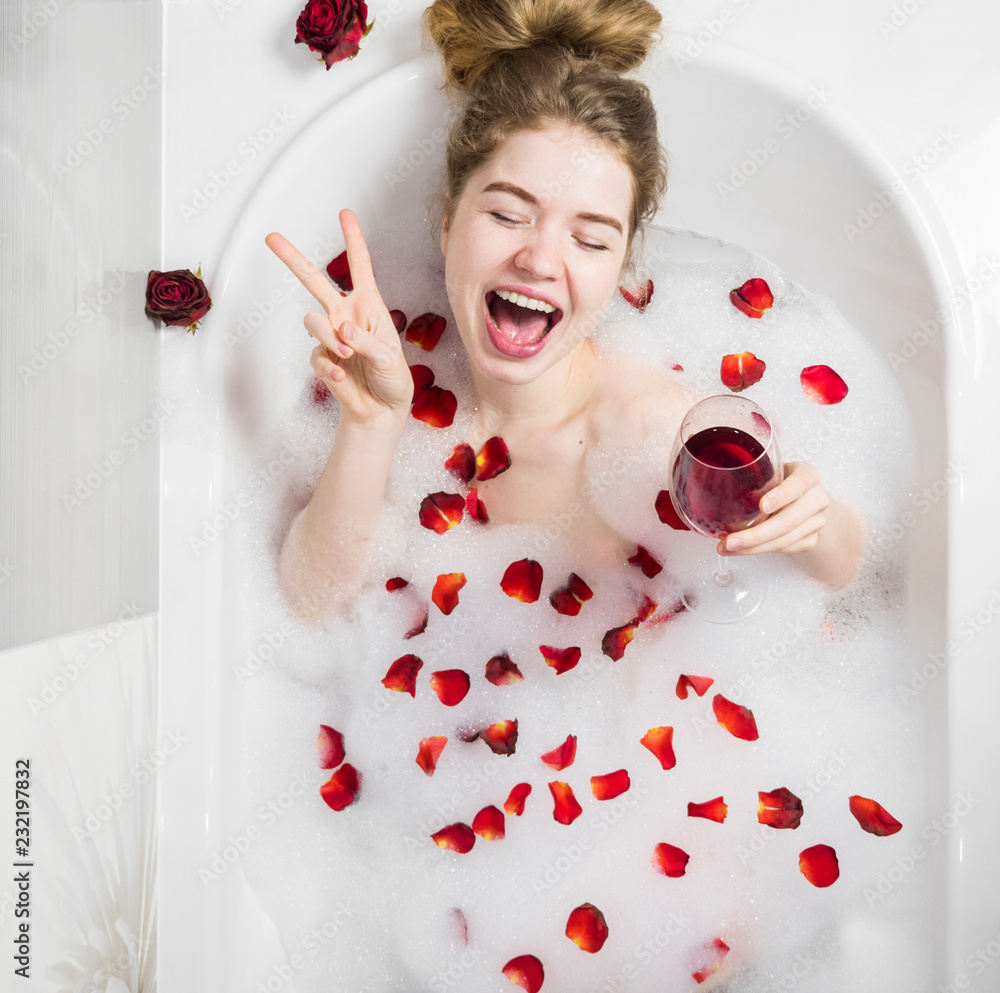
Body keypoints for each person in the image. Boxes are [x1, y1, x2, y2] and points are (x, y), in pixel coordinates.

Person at [264, 0, 863, 628]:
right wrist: (371, 424)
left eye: (591, 239)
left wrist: (813, 525)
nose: (541, 259)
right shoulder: (390, 375)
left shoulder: (653, 434)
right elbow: (309, 606)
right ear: (446, 224)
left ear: (621, 266)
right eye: (506, 214)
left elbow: (844, 572)